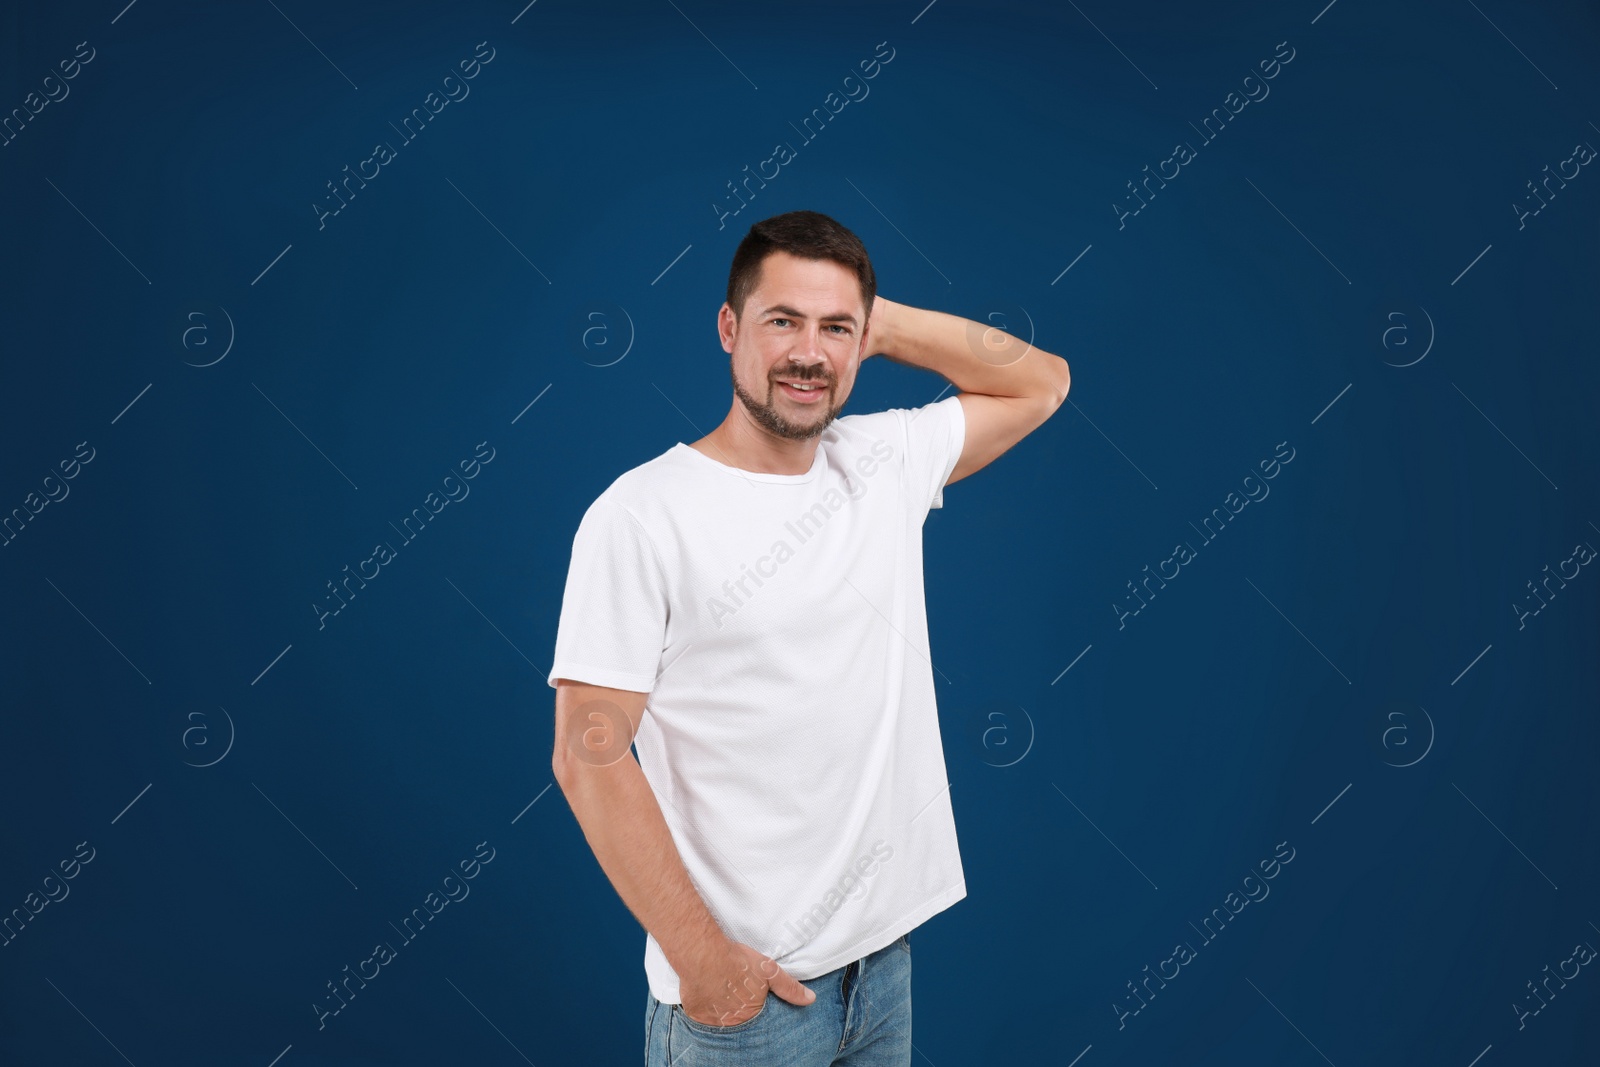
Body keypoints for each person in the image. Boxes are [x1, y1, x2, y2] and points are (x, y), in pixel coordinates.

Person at [548, 209, 1070, 1065]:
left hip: (881, 971)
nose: (808, 352)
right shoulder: (641, 515)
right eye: (782, 320)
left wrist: (878, 321)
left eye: (834, 329)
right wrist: (706, 964)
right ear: (728, 328)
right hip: (746, 1003)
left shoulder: (881, 463)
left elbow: (1040, 381)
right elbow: (587, 752)